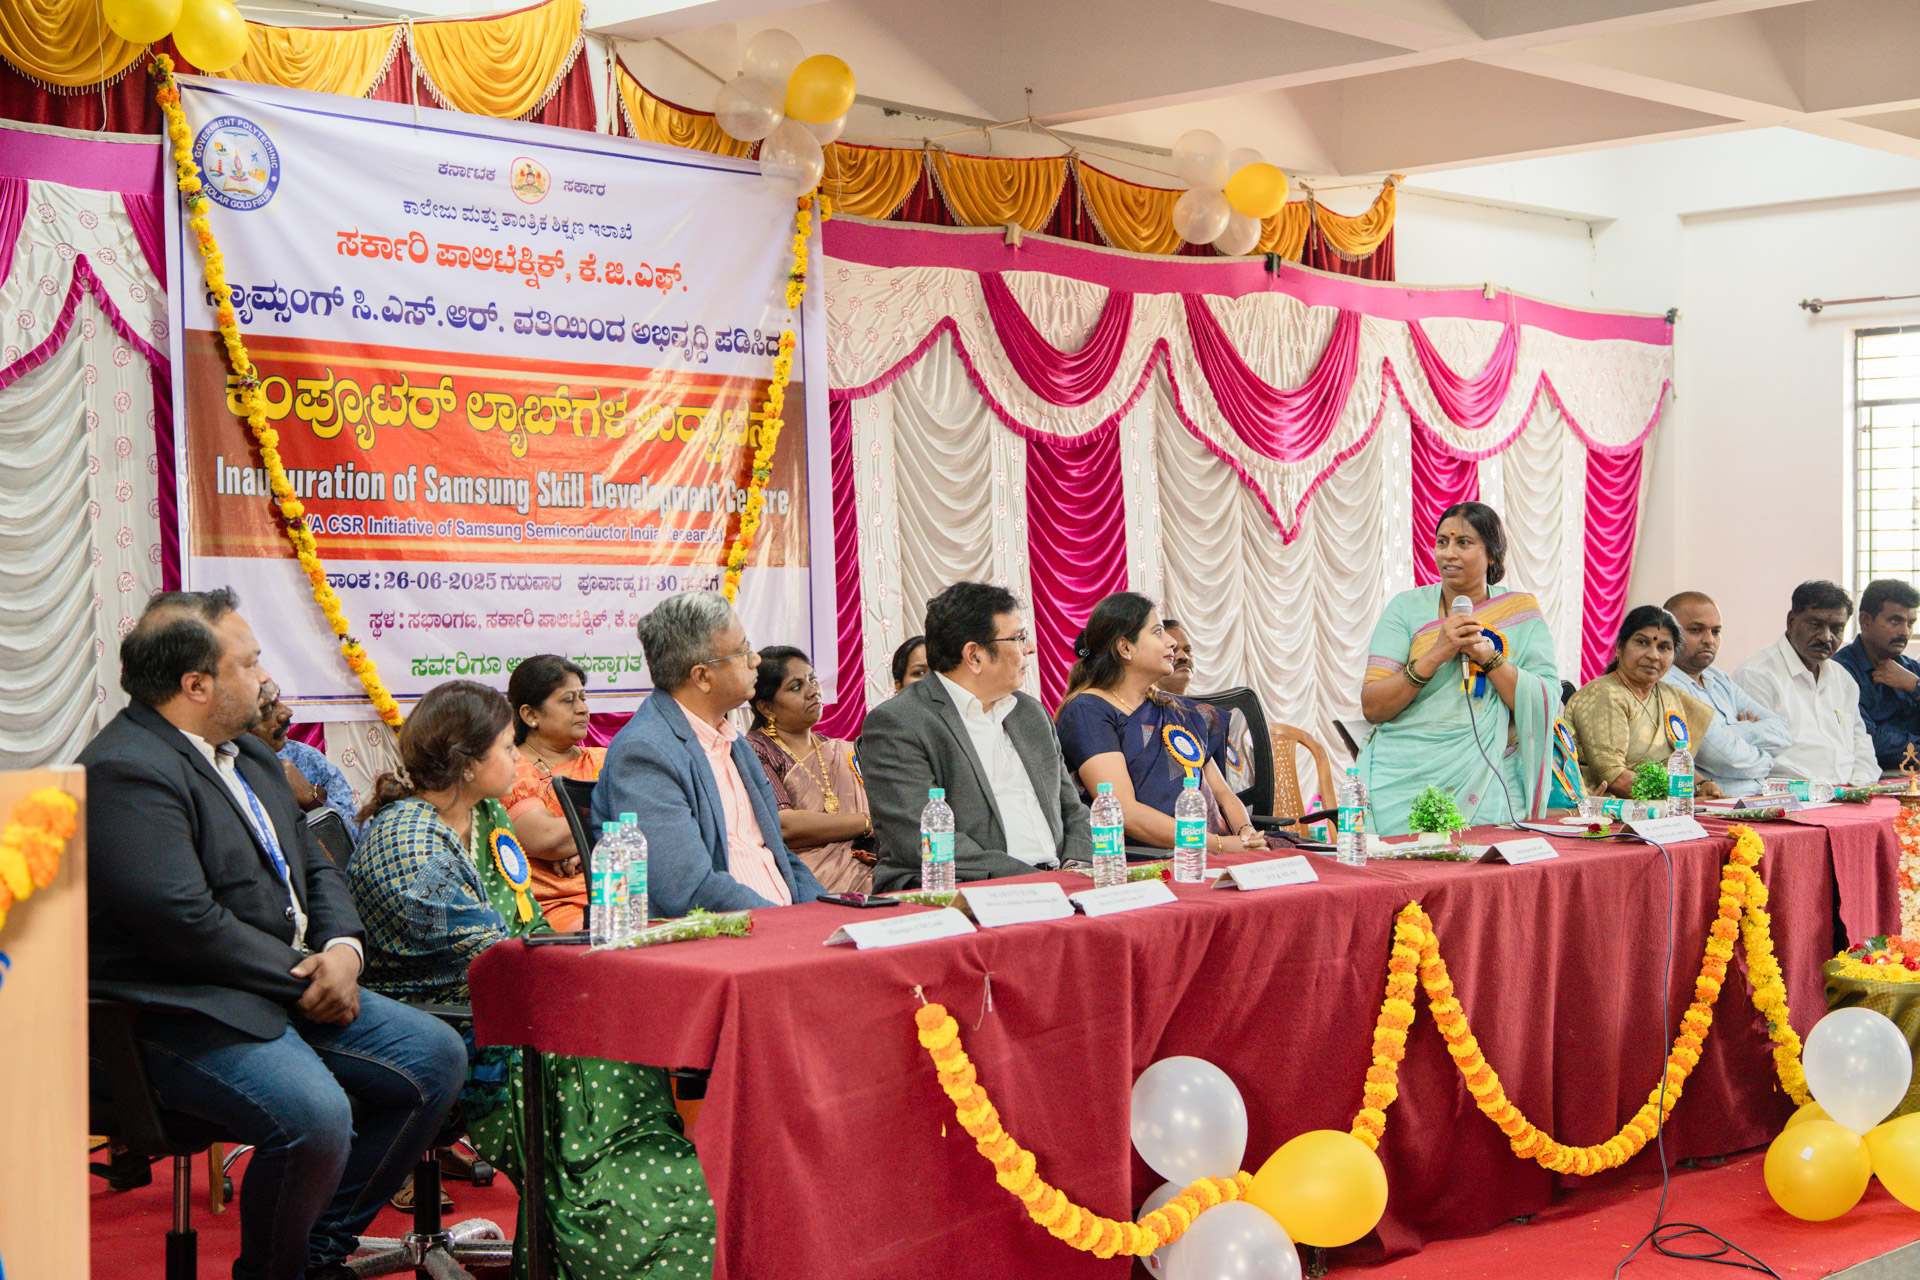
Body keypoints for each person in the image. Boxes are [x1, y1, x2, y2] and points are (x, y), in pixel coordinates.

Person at [80, 589, 464, 1280]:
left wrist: (343, 952)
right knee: (313, 1115)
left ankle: (315, 1253)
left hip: (280, 986)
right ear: (196, 685)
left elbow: (317, 867)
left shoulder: (251, 757)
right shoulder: (125, 770)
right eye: (249, 663)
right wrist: (308, 977)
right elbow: (182, 924)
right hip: (176, 1009)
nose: (264, 678)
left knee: (435, 1056)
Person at [349, 681, 715, 1278]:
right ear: (468, 765)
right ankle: (626, 1225)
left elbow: (524, 930)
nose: (516, 761)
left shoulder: (485, 814)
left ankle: (648, 1199)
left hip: (511, 1002)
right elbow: (494, 959)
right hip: (455, 1030)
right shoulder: (409, 845)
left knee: (621, 1034)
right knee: (602, 1062)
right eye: (505, 748)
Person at [594, 590, 826, 914]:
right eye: (742, 650)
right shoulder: (645, 754)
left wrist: (822, 912)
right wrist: (783, 923)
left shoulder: (734, 742)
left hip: (780, 924)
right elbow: (688, 889)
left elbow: (779, 855)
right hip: (723, 934)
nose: (755, 660)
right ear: (702, 676)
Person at [859, 581, 1092, 890]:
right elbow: (923, 839)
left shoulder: (1030, 713)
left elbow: (1072, 810)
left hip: (1058, 882)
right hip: (962, 889)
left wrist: (1077, 866)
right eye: (1018, 638)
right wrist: (1040, 882)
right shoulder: (899, 723)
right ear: (974, 656)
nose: (1030, 648)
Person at [1357, 502, 1562, 835]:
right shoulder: (1405, 608)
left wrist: (1490, 659)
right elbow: (1373, 706)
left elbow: (1545, 701)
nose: (1448, 553)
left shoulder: (1521, 613)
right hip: (1404, 772)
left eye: (1463, 543)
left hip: (1491, 771)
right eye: (1442, 542)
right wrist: (1437, 653)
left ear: (1492, 554)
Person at [1054, 592, 1264, 852]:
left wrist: (1245, 832)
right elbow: (1125, 812)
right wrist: (1220, 845)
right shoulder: (1088, 711)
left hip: (1212, 850)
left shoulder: (1175, 709)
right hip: (1145, 859)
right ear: (1125, 648)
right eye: (1157, 632)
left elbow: (1222, 793)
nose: (1171, 642)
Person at [747, 645, 876, 895]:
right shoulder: (756, 749)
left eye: (813, 680)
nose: (813, 691)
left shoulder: (839, 749)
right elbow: (784, 825)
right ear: (767, 708)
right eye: (796, 687)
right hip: (806, 881)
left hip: (869, 866)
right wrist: (866, 822)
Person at [1734, 580, 1881, 786]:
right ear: (1791, 621)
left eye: (1836, 628)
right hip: (1791, 794)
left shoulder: (1843, 679)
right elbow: (1758, 756)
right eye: (1815, 625)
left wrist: (1859, 784)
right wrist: (1820, 790)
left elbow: (1861, 746)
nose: (1826, 637)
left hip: (1848, 792)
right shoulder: (1757, 676)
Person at [1566, 606, 1722, 798]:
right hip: (1608, 806)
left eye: (1664, 647)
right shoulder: (1604, 694)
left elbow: (1674, 760)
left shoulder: (1669, 695)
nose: (1653, 655)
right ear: (1620, 646)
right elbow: (1613, 777)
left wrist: (1702, 785)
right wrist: (1680, 795)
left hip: (1662, 803)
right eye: (1642, 642)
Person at [1660, 592, 1793, 796]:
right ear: (1668, 633)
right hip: (1716, 801)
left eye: (1716, 632)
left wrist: (1728, 731)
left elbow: (1783, 733)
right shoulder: (1665, 684)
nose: (1709, 640)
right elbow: (1724, 756)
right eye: (1696, 630)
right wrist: (1767, 758)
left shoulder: (1718, 678)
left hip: (1757, 796)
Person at [503, 654, 598, 932]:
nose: (582, 708)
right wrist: (606, 835)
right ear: (530, 715)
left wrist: (592, 845)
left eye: (583, 697)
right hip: (554, 907)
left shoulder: (606, 760)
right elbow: (548, 839)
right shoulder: (512, 769)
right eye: (568, 700)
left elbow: (659, 820)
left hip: (622, 896)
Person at [249, 680, 362, 841]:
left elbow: (359, 838)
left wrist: (311, 798)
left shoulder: (305, 759)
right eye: (267, 709)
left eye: (278, 700)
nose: (286, 713)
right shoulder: (221, 775)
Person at [1832, 578, 1920, 772]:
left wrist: (1916, 687)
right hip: (1872, 776)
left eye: (1910, 623)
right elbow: (1867, 739)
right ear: (1865, 620)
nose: (1905, 632)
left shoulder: (1912, 670)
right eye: (1895, 621)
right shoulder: (1839, 672)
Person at [1157, 620, 1195, 697]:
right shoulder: (1136, 704)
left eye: (1188, 650)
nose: (1184, 656)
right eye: (1172, 650)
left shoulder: (1204, 704)